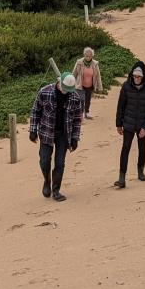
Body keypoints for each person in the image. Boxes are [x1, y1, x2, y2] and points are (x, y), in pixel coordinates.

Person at [29, 72, 84, 202]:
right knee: (44, 161)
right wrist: (33, 131)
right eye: (64, 89)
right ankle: (47, 180)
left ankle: (56, 190)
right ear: (59, 82)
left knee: (60, 163)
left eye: (69, 90)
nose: (66, 92)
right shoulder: (44, 92)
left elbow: (77, 119)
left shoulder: (75, 97)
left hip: (64, 134)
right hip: (46, 131)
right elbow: (35, 111)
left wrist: (75, 138)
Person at [114, 61, 145, 188]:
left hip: (142, 124)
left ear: (143, 76)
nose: (136, 79)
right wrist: (118, 124)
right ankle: (121, 178)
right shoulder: (126, 86)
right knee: (125, 148)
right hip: (128, 123)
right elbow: (120, 106)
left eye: (138, 76)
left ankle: (140, 171)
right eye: (134, 76)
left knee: (142, 148)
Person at [72, 47, 103, 120]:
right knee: (82, 99)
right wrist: (71, 82)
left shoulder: (95, 64)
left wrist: (100, 87)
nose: (88, 57)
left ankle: (87, 113)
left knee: (88, 100)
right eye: (86, 56)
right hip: (80, 85)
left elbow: (98, 76)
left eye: (89, 56)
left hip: (90, 85)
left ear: (92, 56)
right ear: (84, 55)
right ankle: (81, 114)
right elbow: (74, 73)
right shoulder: (79, 62)